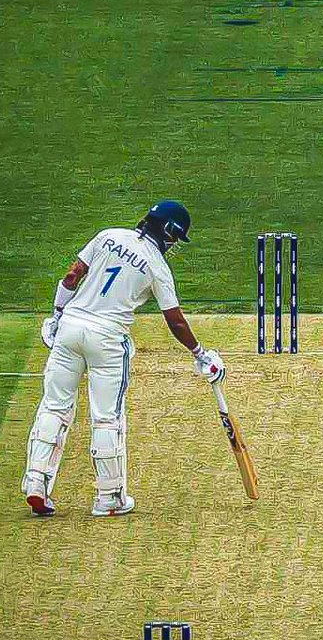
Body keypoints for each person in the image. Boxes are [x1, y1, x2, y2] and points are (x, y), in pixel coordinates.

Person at [21, 201, 225, 517]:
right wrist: (201, 354)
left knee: (54, 406)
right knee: (107, 417)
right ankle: (109, 498)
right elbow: (175, 321)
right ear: (168, 231)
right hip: (108, 340)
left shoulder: (108, 236)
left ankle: (36, 481)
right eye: (175, 238)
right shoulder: (157, 266)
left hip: (70, 327)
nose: (173, 245)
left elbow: (72, 276)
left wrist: (57, 315)